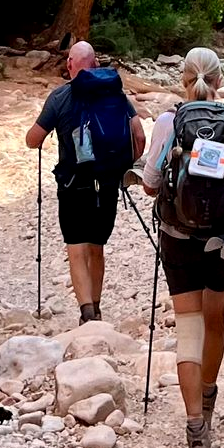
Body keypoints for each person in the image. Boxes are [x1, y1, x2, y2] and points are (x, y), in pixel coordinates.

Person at [141, 46, 224, 448]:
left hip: (178, 238)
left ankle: (195, 428)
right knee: (215, 320)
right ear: (219, 80)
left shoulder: (168, 121)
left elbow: (151, 183)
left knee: (188, 327)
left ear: (182, 78)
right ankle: (208, 398)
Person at [25, 42, 145, 324]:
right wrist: (125, 166)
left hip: (73, 184)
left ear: (70, 65)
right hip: (107, 182)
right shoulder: (115, 94)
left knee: (76, 247)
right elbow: (138, 135)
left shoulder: (60, 97)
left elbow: (33, 140)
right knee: (96, 246)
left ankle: (86, 312)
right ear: (95, 63)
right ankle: (98, 305)